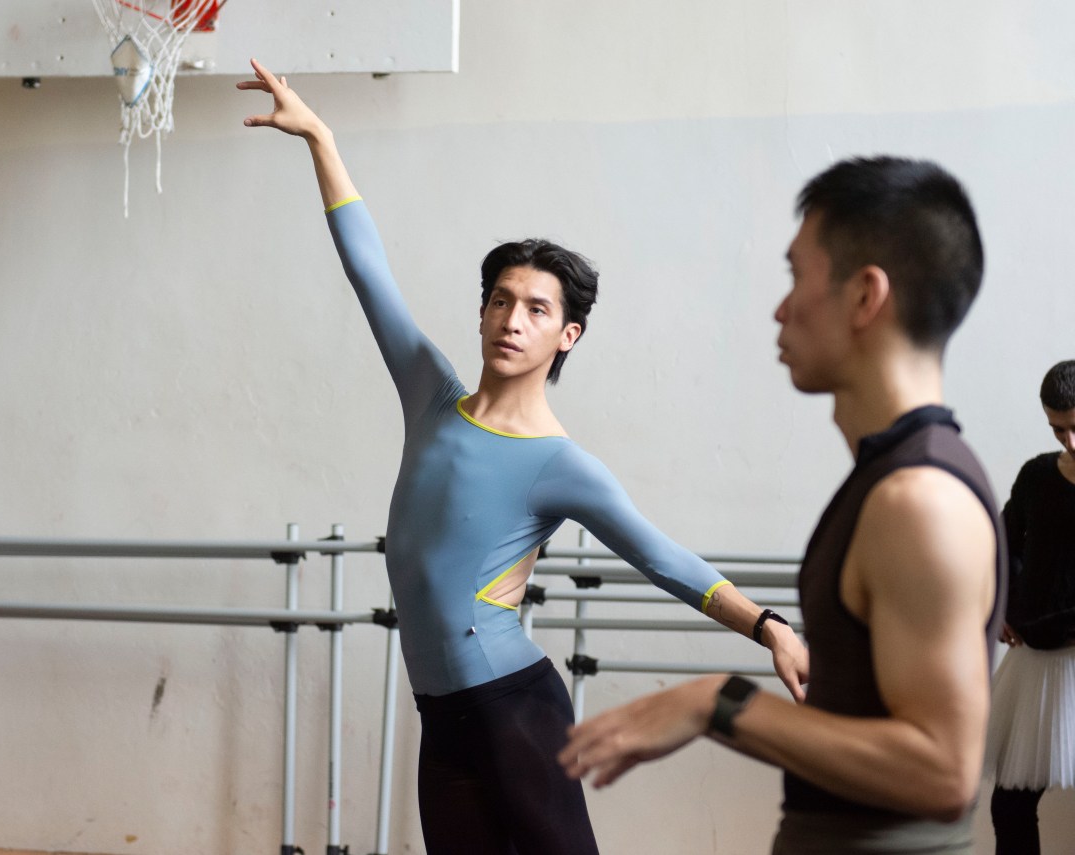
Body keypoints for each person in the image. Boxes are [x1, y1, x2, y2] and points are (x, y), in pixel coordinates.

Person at [237, 58, 808, 854]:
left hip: (515, 708)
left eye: (536, 308)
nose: (512, 318)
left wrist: (770, 626)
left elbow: (662, 557)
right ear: (481, 313)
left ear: (566, 334)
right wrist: (322, 139)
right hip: (442, 716)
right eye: (500, 300)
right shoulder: (431, 398)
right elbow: (369, 272)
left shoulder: (559, 463)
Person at [560, 156, 1008, 855]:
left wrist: (718, 702)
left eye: (797, 276)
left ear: (866, 296)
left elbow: (942, 770)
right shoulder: (896, 477)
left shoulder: (920, 500)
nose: (780, 307)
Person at [985, 359, 1075, 855]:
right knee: (1011, 804)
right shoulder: (1038, 477)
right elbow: (1004, 542)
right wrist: (1000, 605)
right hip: (1038, 661)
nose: (1070, 442)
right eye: (1058, 429)